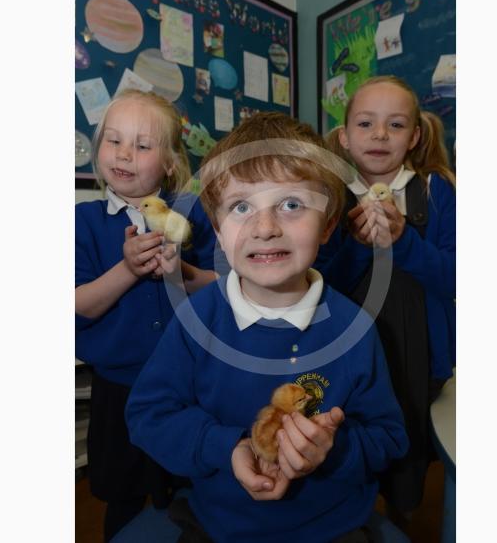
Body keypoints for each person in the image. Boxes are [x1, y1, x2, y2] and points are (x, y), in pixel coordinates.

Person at [125, 112, 409, 543]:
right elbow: (148, 415)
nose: (265, 228)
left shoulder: (356, 329)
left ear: (328, 224)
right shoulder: (196, 319)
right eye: (242, 207)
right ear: (219, 233)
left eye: (292, 204)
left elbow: (388, 438)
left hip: (331, 527)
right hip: (219, 525)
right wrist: (230, 447)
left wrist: (333, 449)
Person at [75, 89, 218, 541]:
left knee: (191, 488)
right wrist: (129, 269)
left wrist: (183, 271)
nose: (124, 154)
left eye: (141, 144)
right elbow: (78, 304)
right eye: (113, 141)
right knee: (124, 496)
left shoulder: (195, 214)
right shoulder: (83, 221)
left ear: (171, 162)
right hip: (119, 389)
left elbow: (229, 286)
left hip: (191, 385)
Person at [322, 75, 456, 525]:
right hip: (347, 360)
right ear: (344, 137)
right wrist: (361, 244)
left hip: (419, 362)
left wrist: (402, 241)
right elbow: (320, 285)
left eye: (395, 125)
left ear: (415, 136)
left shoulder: (437, 193)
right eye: (365, 123)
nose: (380, 135)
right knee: (347, 452)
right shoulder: (328, 196)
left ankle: (398, 520)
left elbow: (457, 277)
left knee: (405, 469)